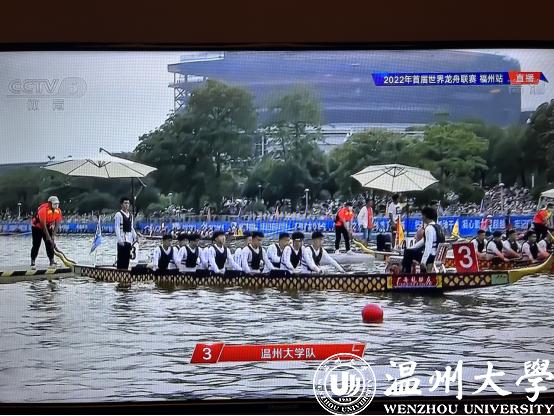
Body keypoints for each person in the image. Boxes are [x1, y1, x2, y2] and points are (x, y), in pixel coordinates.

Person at [401, 207, 445, 273]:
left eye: (422, 215)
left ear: (425, 216)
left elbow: (428, 246)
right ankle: (422, 273)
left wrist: (423, 262)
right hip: (436, 255)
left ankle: (406, 274)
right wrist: (411, 248)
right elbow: (422, 242)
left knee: (407, 253)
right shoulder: (438, 227)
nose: (422, 217)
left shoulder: (429, 228)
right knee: (408, 251)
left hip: (431, 256)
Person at [30, 196, 62, 268]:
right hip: (37, 228)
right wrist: (48, 237)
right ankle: (33, 260)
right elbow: (43, 224)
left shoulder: (58, 211)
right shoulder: (43, 210)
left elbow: (57, 224)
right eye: (55, 204)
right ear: (50, 203)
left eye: (57, 204)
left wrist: (53, 236)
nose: (56, 205)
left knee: (50, 244)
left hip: (48, 226)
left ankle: (52, 261)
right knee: (36, 244)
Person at [114, 197, 137, 270]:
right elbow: (117, 227)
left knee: (127, 259)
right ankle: (119, 272)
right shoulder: (118, 214)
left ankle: (125, 271)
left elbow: (131, 227)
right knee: (121, 259)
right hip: (122, 240)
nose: (127, 205)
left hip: (128, 240)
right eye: (125, 203)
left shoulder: (130, 215)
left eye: (128, 203)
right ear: (121, 204)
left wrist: (135, 237)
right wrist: (119, 239)